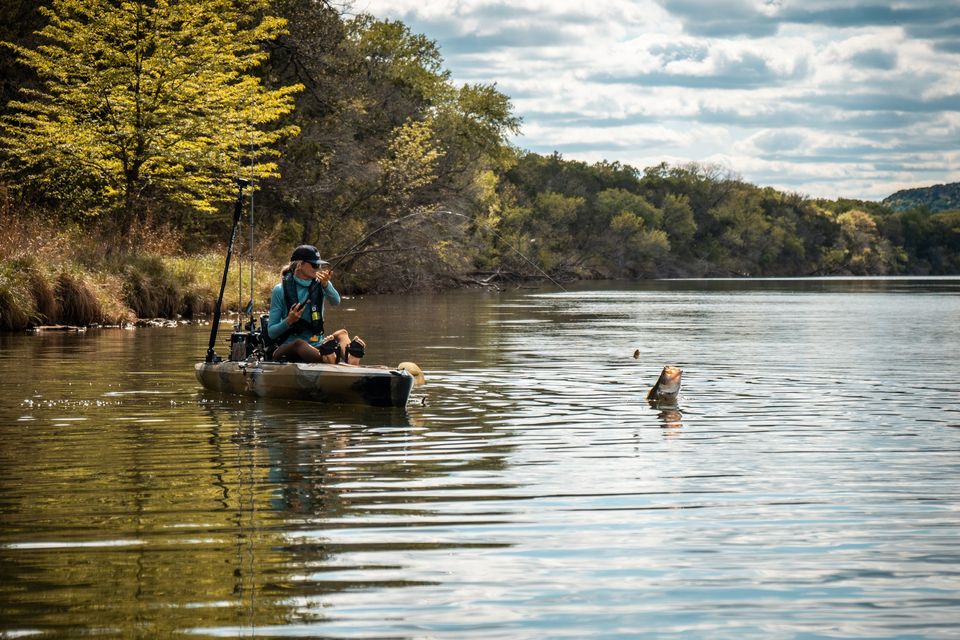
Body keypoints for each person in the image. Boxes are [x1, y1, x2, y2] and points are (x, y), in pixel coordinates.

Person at [267, 245, 365, 364]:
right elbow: (271, 333)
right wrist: (289, 320)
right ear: (300, 264)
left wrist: (326, 285)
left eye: (319, 265)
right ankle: (330, 359)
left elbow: (336, 301)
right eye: (314, 265)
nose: (317, 269)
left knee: (342, 334)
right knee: (300, 343)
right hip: (288, 348)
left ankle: (350, 360)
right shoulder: (279, 290)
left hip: (318, 345)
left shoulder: (321, 284)